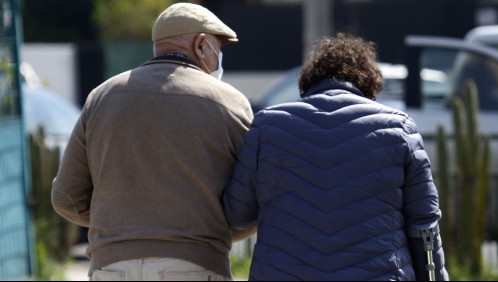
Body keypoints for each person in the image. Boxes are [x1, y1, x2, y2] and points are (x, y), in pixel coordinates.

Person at [51, 3, 255, 281]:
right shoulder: (230, 103)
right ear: (201, 44)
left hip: (110, 265)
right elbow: (250, 203)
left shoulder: (101, 97)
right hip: (195, 264)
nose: (218, 57)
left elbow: (66, 197)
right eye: (218, 48)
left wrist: (122, 223)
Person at [222, 33, 449, 281]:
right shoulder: (398, 128)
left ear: (308, 82)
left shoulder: (268, 125)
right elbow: (424, 226)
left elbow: (237, 214)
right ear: (369, 83)